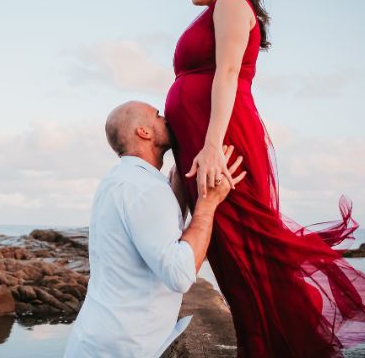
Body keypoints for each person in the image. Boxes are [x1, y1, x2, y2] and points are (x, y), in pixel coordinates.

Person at [164, 0, 365, 357]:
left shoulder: (230, 4)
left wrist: (210, 147)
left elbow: (226, 74)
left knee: (251, 257)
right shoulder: (214, 11)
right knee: (231, 261)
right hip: (204, 143)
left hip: (222, 140)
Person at [64, 100, 246, 357]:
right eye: (158, 115)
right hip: (122, 348)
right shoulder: (146, 189)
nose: (166, 118)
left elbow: (154, 241)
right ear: (144, 132)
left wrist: (177, 198)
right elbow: (180, 273)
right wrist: (208, 203)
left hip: (98, 337)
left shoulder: (118, 180)